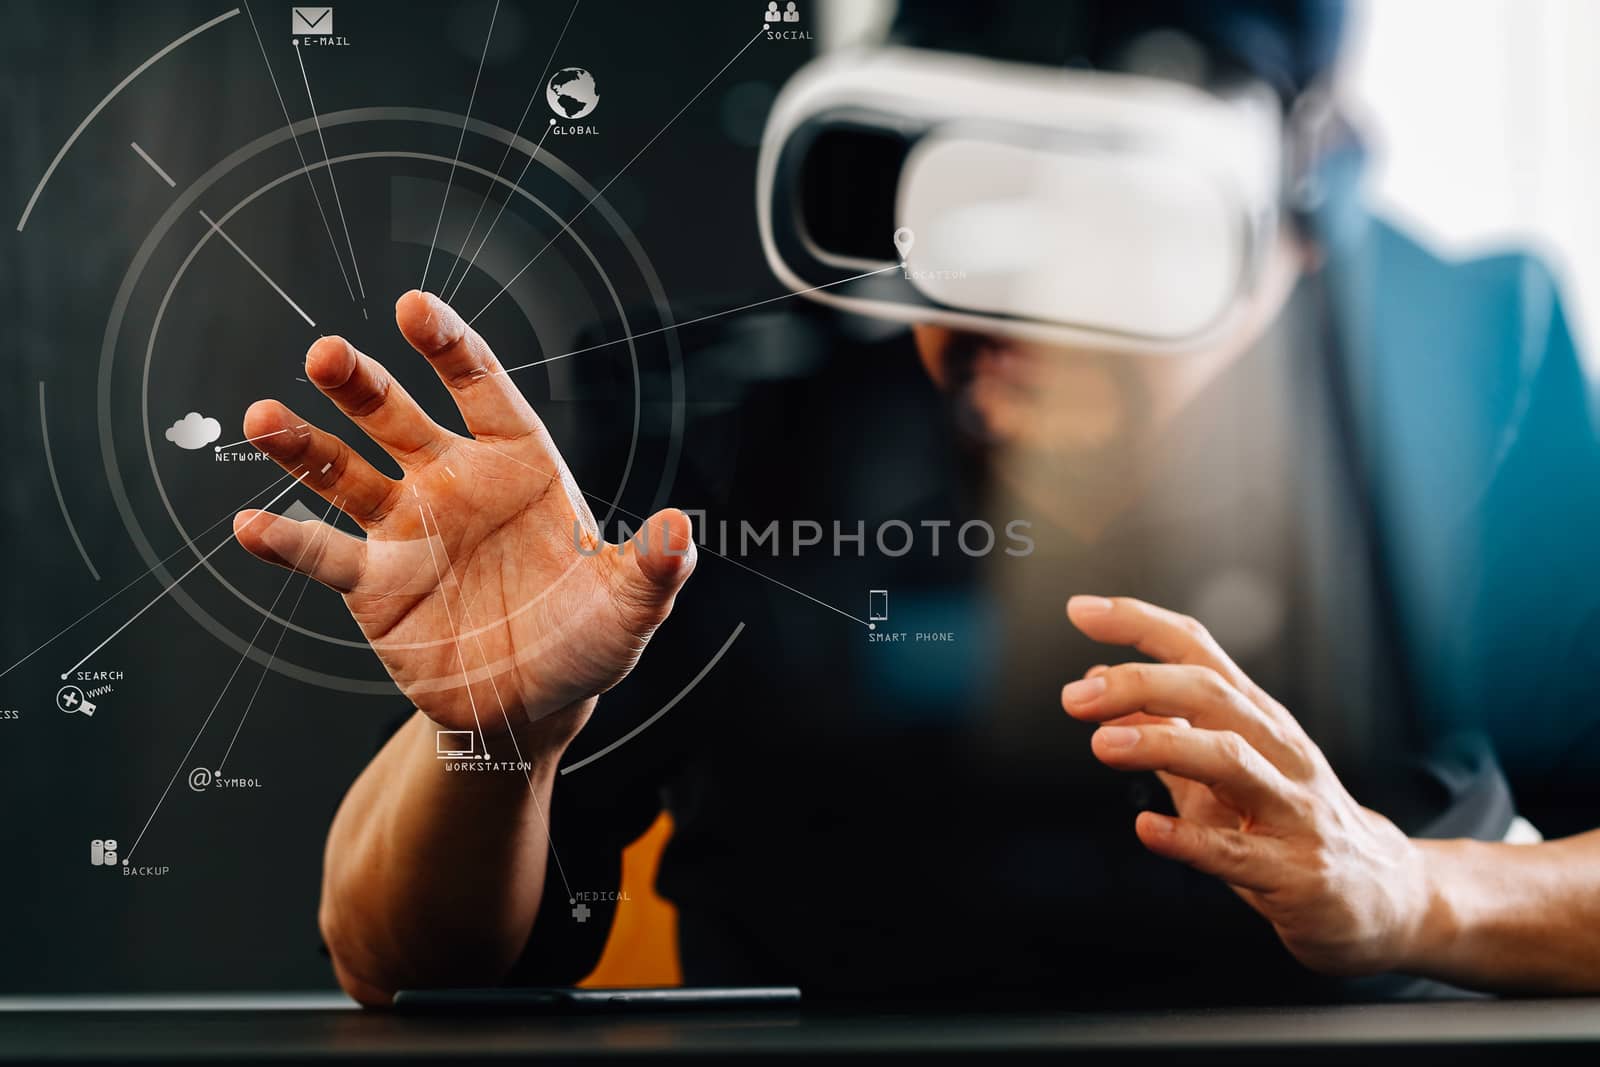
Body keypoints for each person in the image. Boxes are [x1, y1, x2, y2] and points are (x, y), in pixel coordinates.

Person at [233, 0, 1600, 1005]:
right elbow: (389, 957)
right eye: (971, 209)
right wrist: (498, 742)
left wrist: (1417, 893)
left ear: (1298, 222)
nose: (1013, 317)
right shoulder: (742, 413)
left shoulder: (1470, 365)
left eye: (1111, 224)